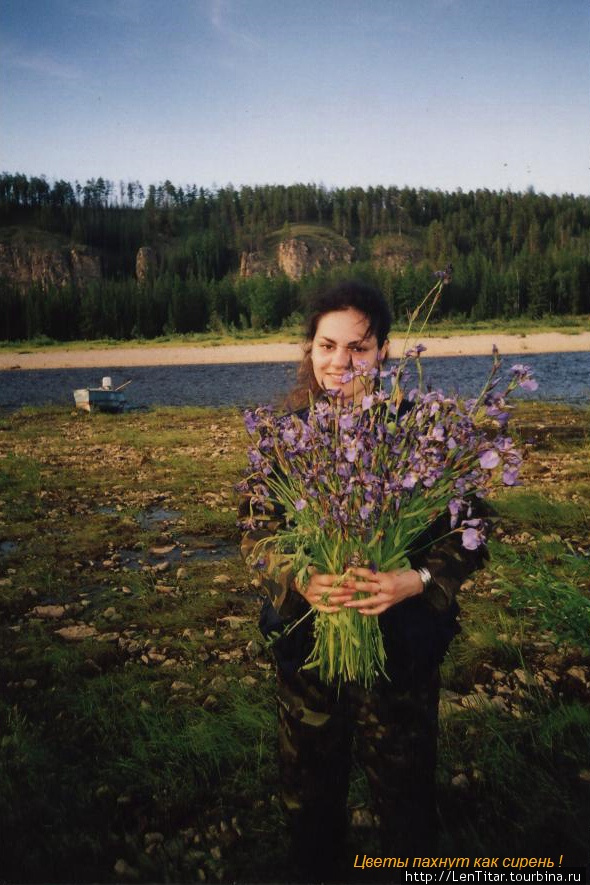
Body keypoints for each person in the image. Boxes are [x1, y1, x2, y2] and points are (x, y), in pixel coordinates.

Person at [240, 280, 489, 882]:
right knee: (309, 810)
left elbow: (474, 526)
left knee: (405, 810)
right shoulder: (283, 438)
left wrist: (417, 577)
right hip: (308, 652)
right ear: (311, 348)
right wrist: (299, 577)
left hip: (399, 655)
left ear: (382, 352)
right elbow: (254, 533)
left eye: (359, 348)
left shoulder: (417, 431)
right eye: (327, 346)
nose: (340, 363)